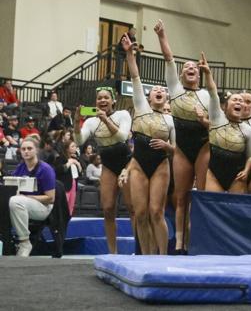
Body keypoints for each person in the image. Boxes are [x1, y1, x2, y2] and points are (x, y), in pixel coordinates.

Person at [154, 19, 210, 254]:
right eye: (186, 67)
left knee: (203, 197)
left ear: (199, 73)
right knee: (181, 197)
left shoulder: (207, 94)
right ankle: (179, 243)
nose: (190, 69)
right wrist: (162, 36)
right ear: (181, 73)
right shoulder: (175, 90)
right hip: (182, 148)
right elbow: (168, 58)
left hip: (203, 146)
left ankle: (200, 239)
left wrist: (203, 120)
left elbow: (214, 125)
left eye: (194, 68)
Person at [121, 34, 174, 255]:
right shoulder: (141, 107)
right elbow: (135, 77)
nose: (159, 91)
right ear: (149, 97)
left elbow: (176, 149)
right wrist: (129, 54)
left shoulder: (171, 120)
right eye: (155, 90)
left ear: (167, 98)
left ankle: (162, 255)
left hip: (161, 164)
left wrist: (167, 146)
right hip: (140, 164)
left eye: (163, 90)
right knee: (140, 212)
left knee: (156, 212)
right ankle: (145, 255)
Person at [74, 86, 131, 254]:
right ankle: (112, 252)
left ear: (113, 100)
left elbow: (122, 136)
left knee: (133, 208)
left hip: (127, 164)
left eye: (106, 97)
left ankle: (139, 250)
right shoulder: (91, 121)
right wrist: (77, 122)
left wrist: (105, 120)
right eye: (99, 98)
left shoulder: (123, 115)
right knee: (107, 209)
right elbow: (78, 141)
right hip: (108, 165)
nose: (103, 101)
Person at [199, 52, 251, 194]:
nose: (238, 102)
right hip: (214, 174)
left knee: (234, 212)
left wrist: (247, 170)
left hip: (237, 176)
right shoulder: (217, 118)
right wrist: (207, 73)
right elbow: (213, 92)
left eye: (241, 101)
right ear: (225, 106)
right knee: (213, 208)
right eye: (235, 100)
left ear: (244, 108)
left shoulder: (248, 130)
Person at [9, 135, 56, 257]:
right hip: (25, 204)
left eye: (29, 148)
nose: (26, 151)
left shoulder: (46, 169)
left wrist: (27, 198)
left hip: (44, 207)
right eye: (23, 149)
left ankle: (24, 242)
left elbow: (51, 198)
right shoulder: (21, 167)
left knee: (15, 201)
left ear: (36, 150)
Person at [51, 141, 82, 216]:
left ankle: (68, 220)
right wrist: (69, 163)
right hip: (64, 184)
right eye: (72, 146)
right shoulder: (61, 158)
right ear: (67, 149)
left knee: (71, 205)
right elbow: (58, 170)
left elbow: (80, 173)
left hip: (73, 183)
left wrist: (78, 164)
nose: (75, 148)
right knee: (64, 204)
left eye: (75, 146)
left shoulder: (75, 158)